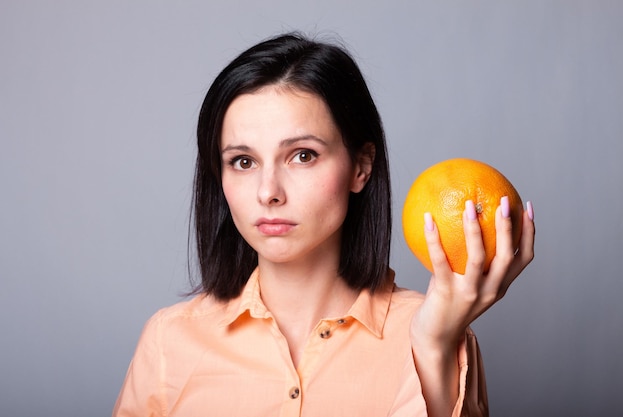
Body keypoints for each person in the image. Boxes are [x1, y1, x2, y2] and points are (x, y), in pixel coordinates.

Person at [113, 32, 535, 417]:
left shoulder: (436, 332)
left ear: (361, 167)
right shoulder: (169, 341)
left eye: (302, 155)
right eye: (243, 162)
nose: (268, 192)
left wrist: (434, 346)